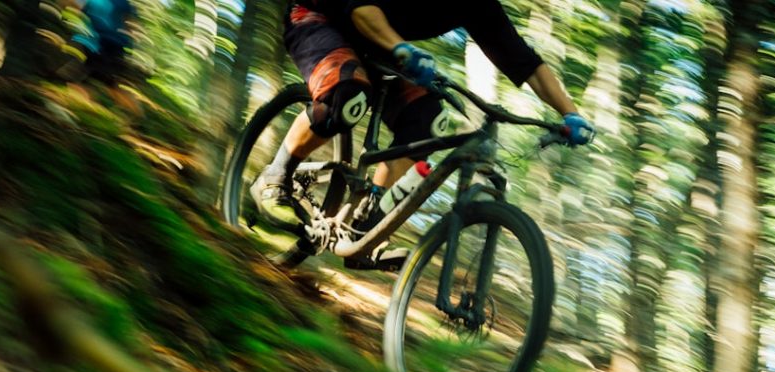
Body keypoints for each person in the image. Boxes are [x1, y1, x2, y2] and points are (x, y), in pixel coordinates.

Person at [253, 0, 595, 269]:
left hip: (379, 42)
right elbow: (360, 7)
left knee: (427, 120)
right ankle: (275, 176)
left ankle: (366, 227)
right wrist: (402, 48)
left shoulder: (479, 6)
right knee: (348, 99)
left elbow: (525, 62)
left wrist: (571, 114)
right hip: (321, 17)